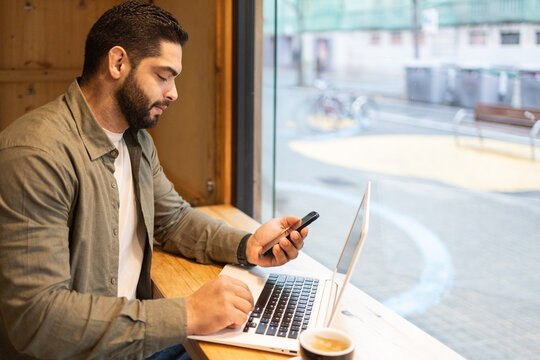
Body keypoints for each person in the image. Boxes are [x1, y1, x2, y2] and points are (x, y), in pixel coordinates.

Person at [0, 2, 308, 359]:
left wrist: (248, 245)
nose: (174, 93)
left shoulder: (137, 141)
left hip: (131, 339)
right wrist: (188, 314)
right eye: (164, 76)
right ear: (117, 64)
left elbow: (173, 220)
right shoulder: (36, 155)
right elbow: (38, 319)